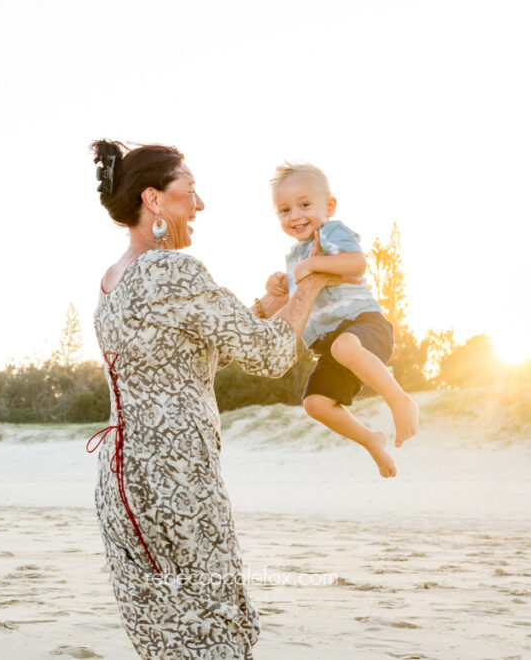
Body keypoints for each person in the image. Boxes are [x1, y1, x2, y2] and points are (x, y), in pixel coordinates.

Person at [87, 139, 350, 658]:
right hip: (177, 480)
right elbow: (273, 356)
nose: (200, 204)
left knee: (167, 637)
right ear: (154, 200)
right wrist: (313, 281)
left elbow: (182, 359)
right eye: (190, 191)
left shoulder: (111, 281)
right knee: (216, 630)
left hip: (120, 487)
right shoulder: (172, 270)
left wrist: (262, 306)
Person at [265, 162, 418, 478]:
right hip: (332, 346)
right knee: (316, 403)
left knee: (345, 347)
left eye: (304, 205)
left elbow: (357, 263)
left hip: (364, 325)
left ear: (329, 206)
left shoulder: (331, 232)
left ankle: (401, 401)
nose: (295, 215)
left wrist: (315, 263)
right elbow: (297, 299)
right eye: (284, 210)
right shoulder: (295, 256)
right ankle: (371, 439)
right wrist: (278, 287)